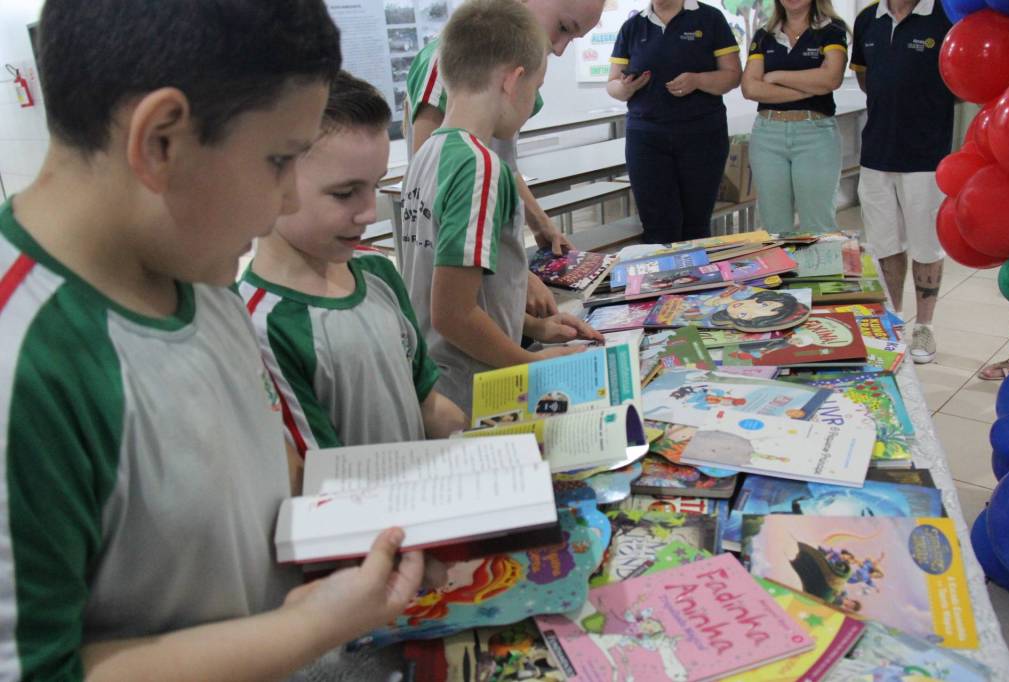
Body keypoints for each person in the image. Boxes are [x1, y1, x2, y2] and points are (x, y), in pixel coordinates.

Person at [0, 2, 424, 679]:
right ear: (160, 141)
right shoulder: (27, 363)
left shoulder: (199, 269)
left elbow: (264, 469)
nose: (288, 201)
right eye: (279, 160)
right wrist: (305, 628)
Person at [241, 71, 467, 452]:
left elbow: (428, 404)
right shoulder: (260, 327)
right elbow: (317, 474)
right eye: (345, 193)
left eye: (375, 186)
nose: (369, 213)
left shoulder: (377, 270)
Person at [400, 0, 603, 413]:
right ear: (513, 82)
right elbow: (452, 314)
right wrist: (532, 364)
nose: (533, 103)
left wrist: (535, 327)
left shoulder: (430, 154)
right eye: (536, 88)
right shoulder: (480, 167)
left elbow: (455, 290)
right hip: (471, 387)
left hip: (439, 379)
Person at [851, 0, 954, 364]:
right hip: (876, 154)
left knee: (927, 246)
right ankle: (892, 322)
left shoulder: (944, 16)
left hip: (926, 156)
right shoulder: (868, 19)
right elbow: (867, 79)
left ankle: (924, 326)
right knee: (885, 246)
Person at [606, 0, 742, 244]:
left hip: (702, 136)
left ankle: (695, 269)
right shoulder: (633, 26)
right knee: (657, 225)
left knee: (695, 225)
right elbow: (612, 83)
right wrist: (625, 88)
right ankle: (660, 270)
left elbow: (732, 75)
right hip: (646, 138)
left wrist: (698, 80)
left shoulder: (710, 18)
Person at [740, 0, 849, 234]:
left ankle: (819, 261)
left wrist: (776, 76)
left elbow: (831, 78)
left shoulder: (831, 30)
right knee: (774, 229)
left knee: (818, 227)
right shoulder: (765, 34)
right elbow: (750, 88)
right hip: (768, 134)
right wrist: (809, 88)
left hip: (815, 134)